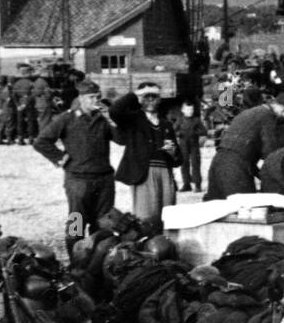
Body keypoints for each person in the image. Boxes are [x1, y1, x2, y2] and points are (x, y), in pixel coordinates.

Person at [34, 80, 118, 259]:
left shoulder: (103, 118)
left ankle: (98, 263)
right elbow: (41, 141)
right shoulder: (67, 118)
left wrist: (110, 118)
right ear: (81, 98)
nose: (95, 100)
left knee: (104, 224)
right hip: (78, 180)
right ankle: (76, 264)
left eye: (97, 97)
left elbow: (122, 139)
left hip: (104, 179)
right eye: (90, 97)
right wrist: (59, 157)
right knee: (76, 223)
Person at [109, 82, 180, 231]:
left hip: (165, 174)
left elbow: (179, 159)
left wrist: (174, 153)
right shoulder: (133, 120)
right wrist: (135, 95)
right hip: (143, 174)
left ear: (159, 99)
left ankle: (165, 249)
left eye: (154, 96)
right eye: (146, 97)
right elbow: (115, 111)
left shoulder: (166, 124)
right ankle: (146, 249)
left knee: (169, 217)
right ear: (140, 99)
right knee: (146, 218)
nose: (150, 100)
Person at [204, 97, 284, 199]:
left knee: (217, 204)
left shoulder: (250, 112)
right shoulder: (267, 117)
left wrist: (261, 175)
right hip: (235, 166)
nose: (283, 118)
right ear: (281, 108)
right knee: (245, 206)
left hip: (219, 160)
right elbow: (270, 152)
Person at [174, 99, 207, 192]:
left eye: (191, 110)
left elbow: (204, 131)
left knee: (195, 163)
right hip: (183, 143)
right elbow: (174, 130)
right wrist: (178, 133)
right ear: (183, 110)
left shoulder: (196, 120)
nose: (190, 112)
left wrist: (197, 132)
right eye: (188, 110)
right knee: (184, 163)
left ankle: (197, 184)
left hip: (194, 144)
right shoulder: (180, 120)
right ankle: (186, 183)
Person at [11, 64, 37, 144]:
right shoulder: (31, 83)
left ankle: (20, 139)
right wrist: (25, 104)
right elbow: (33, 95)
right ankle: (30, 138)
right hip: (28, 103)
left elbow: (13, 95)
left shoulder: (17, 83)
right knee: (30, 121)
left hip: (19, 103)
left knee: (20, 122)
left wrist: (18, 105)